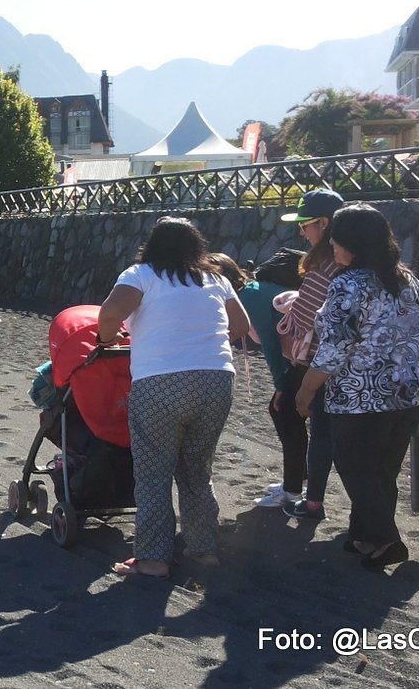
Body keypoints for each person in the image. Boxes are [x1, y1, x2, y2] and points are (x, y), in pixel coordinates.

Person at [99, 217, 251, 578]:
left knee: (153, 471)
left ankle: (153, 558)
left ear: (152, 244)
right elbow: (241, 326)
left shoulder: (141, 274)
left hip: (160, 381)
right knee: (197, 469)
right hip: (216, 380)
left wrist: (107, 339)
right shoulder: (215, 278)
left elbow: (110, 314)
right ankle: (203, 550)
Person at [297, 204, 419, 571]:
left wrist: (306, 390)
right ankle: (365, 537)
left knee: (353, 464)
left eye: (336, 241)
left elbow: (334, 348)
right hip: (408, 392)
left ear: (352, 243)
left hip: (361, 396)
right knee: (382, 469)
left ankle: (387, 539)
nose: (332, 248)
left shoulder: (348, 283)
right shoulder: (408, 279)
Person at [253, 189, 345, 520]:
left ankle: (301, 494)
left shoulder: (325, 264)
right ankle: (301, 490)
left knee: (293, 416)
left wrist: (291, 308)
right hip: (336, 363)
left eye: (305, 224)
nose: (301, 232)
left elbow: (306, 319)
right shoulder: (348, 261)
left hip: (317, 362)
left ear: (323, 223)